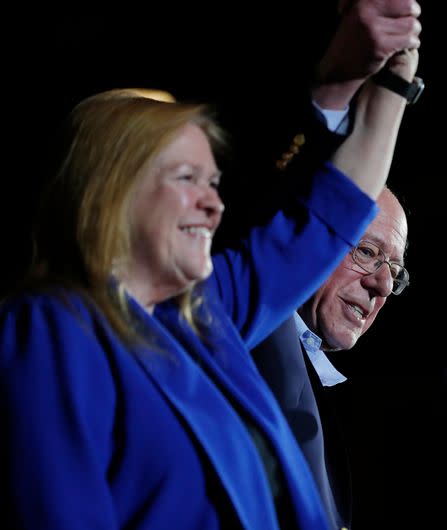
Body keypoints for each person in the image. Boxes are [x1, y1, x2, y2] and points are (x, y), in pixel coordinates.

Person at [0, 41, 419, 530]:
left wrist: (394, 78)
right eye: (187, 178)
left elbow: (333, 212)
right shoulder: (52, 326)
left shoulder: (211, 314)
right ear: (110, 190)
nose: (213, 205)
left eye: (213, 182)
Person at [251, 187, 407, 528]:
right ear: (311, 236)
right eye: (367, 251)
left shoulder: (352, 407)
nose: (383, 285)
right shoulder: (250, 333)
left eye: (395, 271)